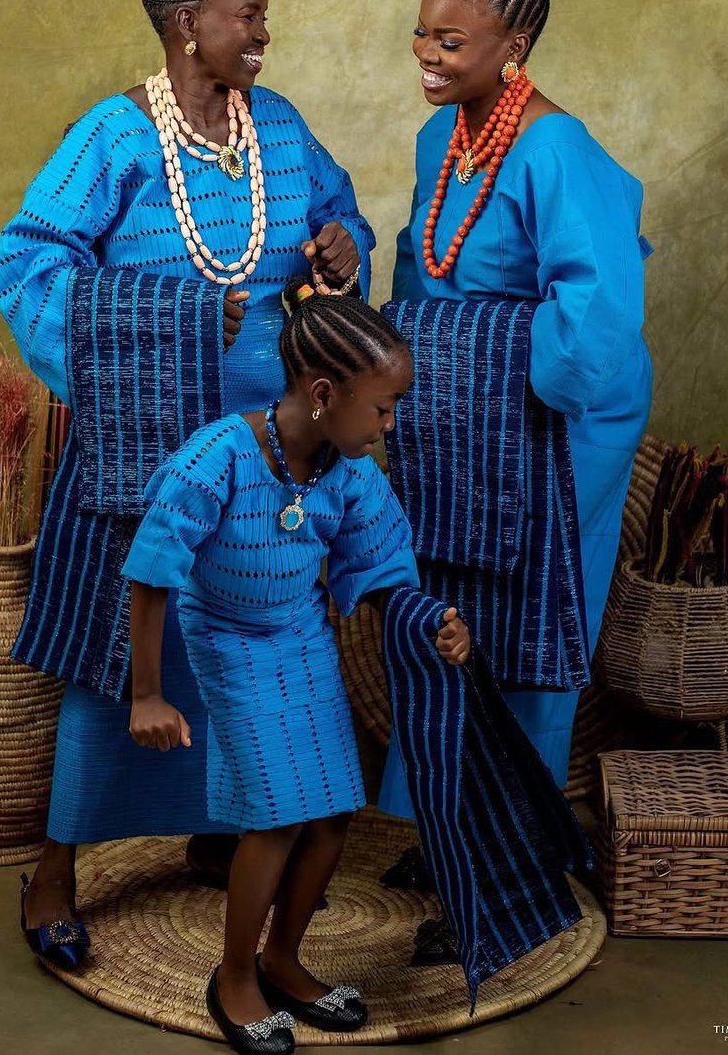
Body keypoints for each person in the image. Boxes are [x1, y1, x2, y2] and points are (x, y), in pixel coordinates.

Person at [0, 0, 374, 969]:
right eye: (248, 14)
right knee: (120, 664)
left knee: (249, 651)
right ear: (186, 24)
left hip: (272, 452)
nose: (263, 32)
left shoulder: (281, 128)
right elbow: (28, 264)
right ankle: (57, 873)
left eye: (262, 14)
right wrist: (163, 326)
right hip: (143, 446)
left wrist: (348, 245)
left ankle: (222, 831)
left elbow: (339, 218)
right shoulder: (114, 137)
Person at [123, 281, 470, 1053]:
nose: (389, 425)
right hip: (226, 636)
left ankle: (284, 958)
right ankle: (235, 976)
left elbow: (385, 574)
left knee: (334, 806)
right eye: (382, 408)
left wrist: (435, 622)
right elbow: (152, 569)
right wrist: (147, 692)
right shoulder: (219, 456)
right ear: (323, 394)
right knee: (276, 815)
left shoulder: (348, 476)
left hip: (300, 634)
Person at [380, 0, 653, 925]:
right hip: (460, 415)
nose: (425, 54)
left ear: (517, 43)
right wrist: (402, 380)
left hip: (554, 420)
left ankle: (512, 852)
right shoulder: (439, 140)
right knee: (443, 613)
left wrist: (504, 387)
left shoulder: (556, 149)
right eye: (420, 33)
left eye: (450, 41)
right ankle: (438, 826)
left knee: (531, 621)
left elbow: (599, 315)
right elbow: (424, 274)